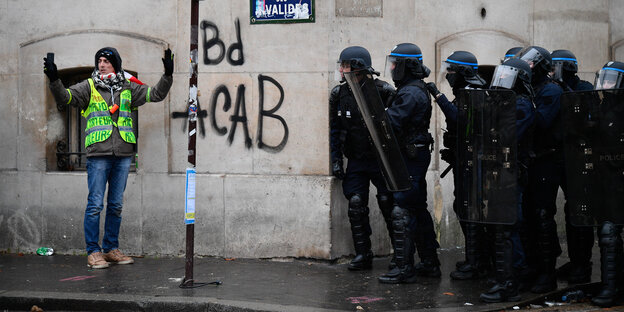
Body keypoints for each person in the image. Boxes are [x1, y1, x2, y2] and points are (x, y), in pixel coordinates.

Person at [43, 47, 174, 269]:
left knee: (115, 205)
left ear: (116, 64)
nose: (102, 64)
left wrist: (168, 75)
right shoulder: (89, 86)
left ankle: (111, 249)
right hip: (98, 154)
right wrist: (55, 79)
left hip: (122, 154)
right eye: (99, 61)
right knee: (95, 204)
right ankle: (94, 252)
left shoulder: (128, 87)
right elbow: (66, 98)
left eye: (106, 61)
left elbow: (156, 95)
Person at [425, 51, 493, 280]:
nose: (449, 75)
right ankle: (474, 258)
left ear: (463, 72)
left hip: (475, 163)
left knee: (470, 210)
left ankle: (478, 262)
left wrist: (438, 96)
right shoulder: (465, 92)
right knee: (462, 208)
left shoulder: (475, 93)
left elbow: (459, 119)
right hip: (462, 161)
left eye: (452, 70)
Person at [377, 43, 440, 284]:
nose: (392, 68)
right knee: (417, 208)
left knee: (402, 207)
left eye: (395, 63)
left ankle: (405, 267)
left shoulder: (411, 92)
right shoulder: (410, 89)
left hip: (411, 157)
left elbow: (391, 123)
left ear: (406, 66)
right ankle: (429, 262)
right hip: (413, 155)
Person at [329, 46, 396, 270]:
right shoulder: (339, 94)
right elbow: (335, 130)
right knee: (356, 204)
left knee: (389, 204)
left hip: (380, 159)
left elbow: (396, 129)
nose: (341, 70)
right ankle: (362, 254)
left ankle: (400, 255)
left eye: (344, 65)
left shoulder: (383, 91)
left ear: (357, 67)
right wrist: (336, 159)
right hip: (356, 157)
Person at [479, 58, 535, 302]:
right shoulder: (505, 102)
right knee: (502, 227)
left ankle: (511, 282)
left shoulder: (521, 105)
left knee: (508, 227)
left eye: (507, 76)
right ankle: (507, 278)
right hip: (500, 171)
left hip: (512, 173)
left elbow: (506, 137)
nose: (500, 80)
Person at [515, 46, 564, 294]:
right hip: (528, 162)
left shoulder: (551, 90)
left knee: (543, 216)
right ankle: (532, 268)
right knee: (526, 218)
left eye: (531, 64)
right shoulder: (529, 90)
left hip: (546, 161)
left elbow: (542, 121)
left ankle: (547, 273)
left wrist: (524, 103)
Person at [549, 49, 595, 285]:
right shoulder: (552, 89)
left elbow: (584, 115)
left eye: (555, 67)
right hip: (558, 156)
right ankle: (573, 260)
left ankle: (582, 264)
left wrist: (562, 89)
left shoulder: (584, 87)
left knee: (579, 212)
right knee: (560, 213)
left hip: (578, 158)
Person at [589, 61, 624, 307]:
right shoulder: (601, 105)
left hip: (619, 177)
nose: (606, 83)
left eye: (612, 79)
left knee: (610, 232)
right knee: (607, 232)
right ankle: (610, 285)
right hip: (604, 178)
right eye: (605, 78)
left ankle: (613, 288)